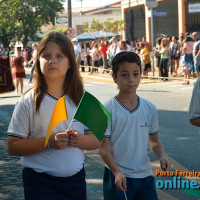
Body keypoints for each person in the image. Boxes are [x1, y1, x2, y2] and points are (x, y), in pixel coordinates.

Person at [7, 32, 100, 200]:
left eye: (60, 56)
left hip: (76, 183)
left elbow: (98, 139)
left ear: (70, 62)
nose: (52, 60)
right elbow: (13, 146)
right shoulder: (28, 100)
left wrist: (81, 140)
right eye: (46, 55)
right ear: (38, 61)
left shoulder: (85, 99)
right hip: (39, 183)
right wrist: (49, 142)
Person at [99, 51, 171, 200]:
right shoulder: (107, 109)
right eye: (124, 75)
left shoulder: (149, 108)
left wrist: (162, 155)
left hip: (145, 177)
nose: (131, 79)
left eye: (136, 74)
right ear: (114, 78)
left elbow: (154, 141)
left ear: (141, 75)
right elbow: (103, 149)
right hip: (118, 176)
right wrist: (117, 172)